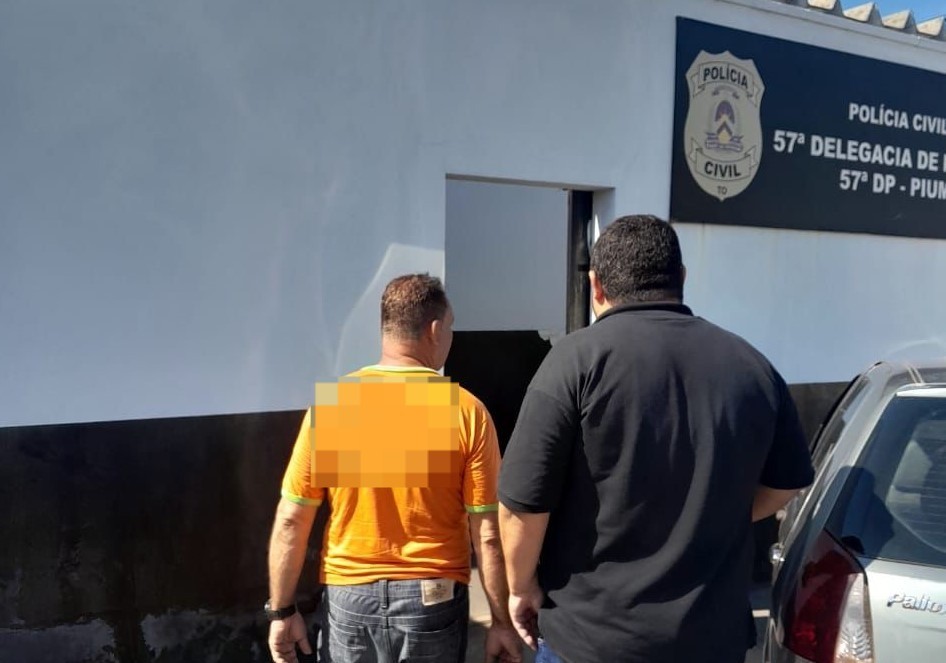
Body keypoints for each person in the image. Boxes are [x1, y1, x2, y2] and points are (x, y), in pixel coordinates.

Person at [497, 215, 814, 663]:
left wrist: (520, 587)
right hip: (710, 639)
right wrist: (717, 511)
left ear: (595, 286)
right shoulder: (752, 366)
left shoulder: (574, 361)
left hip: (592, 640)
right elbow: (788, 483)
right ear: (681, 278)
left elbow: (521, 507)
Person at [266, 274, 521, 663]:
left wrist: (282, 612)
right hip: (431, 600)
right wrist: (501, 623)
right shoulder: (466, 412)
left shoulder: (334, 408)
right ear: (434, 331)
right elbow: (486, 533)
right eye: (450, 327)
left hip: (349, 598)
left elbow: (291, 519)